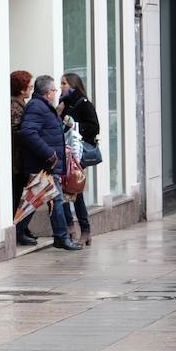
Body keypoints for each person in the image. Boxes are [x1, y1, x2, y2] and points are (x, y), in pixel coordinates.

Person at [18, 74, 81, 251]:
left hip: (47, 164)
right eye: (54, 90)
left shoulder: (43, 106)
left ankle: (19, 230)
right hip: (44, 165)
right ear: (47, 92)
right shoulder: (37, 107)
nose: (56, 92)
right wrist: (50, 154)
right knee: (56, 200)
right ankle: (61, 237)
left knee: (34, 200)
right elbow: (28, 132)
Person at [58, 72, 100, 246]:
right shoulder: (64, 103)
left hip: (78, 153)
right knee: (64, 189)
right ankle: (69, 226)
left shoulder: (83, 104)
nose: (61, 87)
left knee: (76, 191)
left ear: (73, 86)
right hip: (65, 152)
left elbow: (94, 127)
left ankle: (85, 229)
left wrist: (74, 124)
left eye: (64, 83)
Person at [9, 70, 36, 246]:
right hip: (17, 160)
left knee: (22, 194)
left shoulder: (20, 105)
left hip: (20, 159)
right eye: (29, 86)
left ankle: (22, 228)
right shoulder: (14, 107)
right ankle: (18, 229)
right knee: (19, 195)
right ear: (21, 89)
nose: (31, 90)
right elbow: (16, 134)